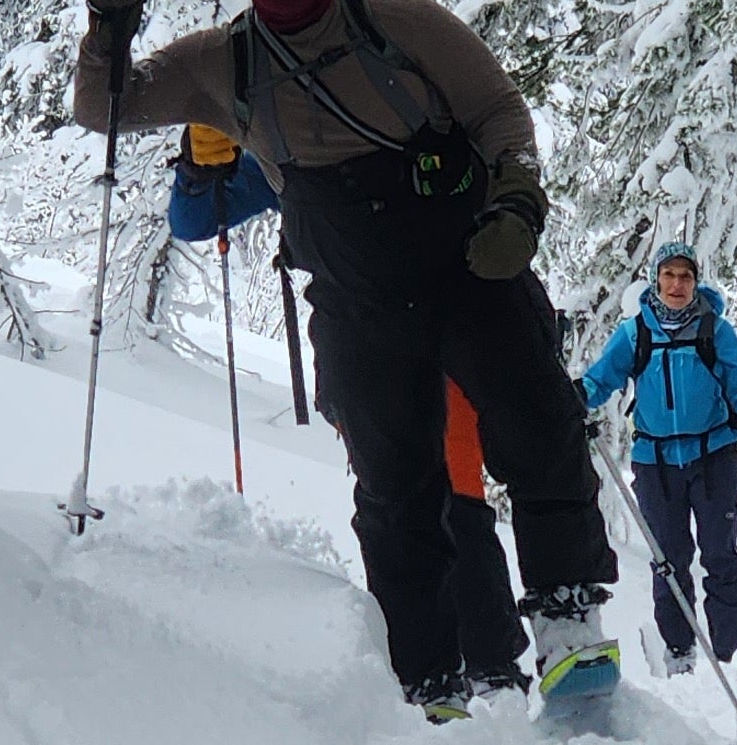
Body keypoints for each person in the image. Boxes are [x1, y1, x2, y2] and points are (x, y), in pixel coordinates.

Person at [75, 0, 616, 717]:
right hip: (358, 300)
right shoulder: (227, 60)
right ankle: (426, 681)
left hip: (468, 264)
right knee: (396, 489)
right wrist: (106, 31)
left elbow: (499, 112)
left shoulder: (395, 15)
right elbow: (101, 109)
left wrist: (517, 204)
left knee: (538, 421)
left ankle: (569, 623)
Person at [164, 117, 528, 694]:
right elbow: (197, 217)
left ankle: (477, 665)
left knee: (443, 489)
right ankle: (449, 666)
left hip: (429, 331)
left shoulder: (392, 113)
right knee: (405, 495)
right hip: (368, 341)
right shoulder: (290, 138)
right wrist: (196, 168)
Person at [581, 243, 737, 670]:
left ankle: (732, 655)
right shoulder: (634, 333)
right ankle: (680, 652)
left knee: (720, 555)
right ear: (656, 279)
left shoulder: (715, 330)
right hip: (654, 463)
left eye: (686, 276)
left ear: (697, 281)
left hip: (713, 458)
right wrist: (574, 396)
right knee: (669, 561)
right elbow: (601, 381)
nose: (677, 285)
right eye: (669, 275)